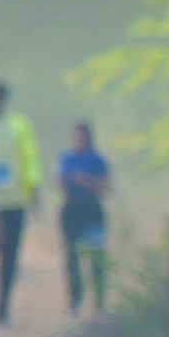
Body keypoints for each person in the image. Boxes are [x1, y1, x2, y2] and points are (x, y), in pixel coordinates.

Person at [0, 80, 41, 326]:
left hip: (13, 202)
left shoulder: (19, 127)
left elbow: (30, 158)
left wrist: (33, 188)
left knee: (9, 257)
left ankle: (3, 304)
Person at [57, 121, 112, 315]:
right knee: (72, 254)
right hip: (72, 209)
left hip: (92, 209)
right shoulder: (66, 158)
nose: (78, 140)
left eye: (81, 137)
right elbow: (59, 182)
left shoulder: (97, 160)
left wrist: (86, 180)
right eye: (75, 137)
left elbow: (106, 187)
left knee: (96, 254)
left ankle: (99, 299)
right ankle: (75, 298)